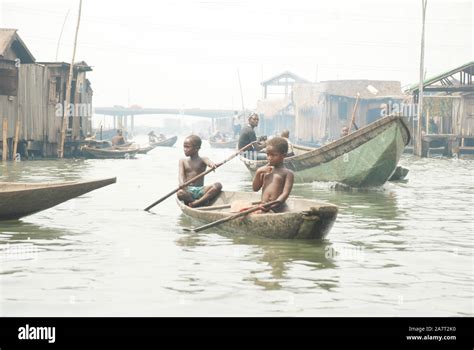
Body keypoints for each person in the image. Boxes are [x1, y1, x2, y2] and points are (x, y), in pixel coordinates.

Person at [177, 135, 223, 208]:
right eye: (184, 147)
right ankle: (195, 201)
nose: (185, 149)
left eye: (187, 147)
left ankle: (197, 203)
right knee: (180, 193)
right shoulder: (182, 161)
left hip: (200, 189)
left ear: (196, 148)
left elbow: (209, 162)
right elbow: (181, 175)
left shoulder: (203, 159)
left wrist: (212, 165)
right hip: (188, 191)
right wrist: (181, 183)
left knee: (218, 185)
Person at [252, 136, 294, 213]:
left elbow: (285, 194)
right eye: (268, 154)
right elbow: (255, 188)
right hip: (264, 206)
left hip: (279, 207)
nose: (269, 158)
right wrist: (258, 172)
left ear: (283, 155)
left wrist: (272, 205)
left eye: (274, 155)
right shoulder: (265, 170)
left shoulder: (287, 173)